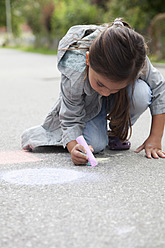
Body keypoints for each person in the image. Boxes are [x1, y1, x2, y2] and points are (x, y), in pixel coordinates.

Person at [21, 18, 165, 165]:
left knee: (141, 94)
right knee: (94, 146)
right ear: (88, 59)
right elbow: (70, 119)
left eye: (115, 88)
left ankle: (115, 133)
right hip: (87, 106)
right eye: (100, 84)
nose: (106, 93)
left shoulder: (135, 60)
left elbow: (160, 88)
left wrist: (155, 137)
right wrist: (73, 148)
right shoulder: (74, 73)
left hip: (118, 100)